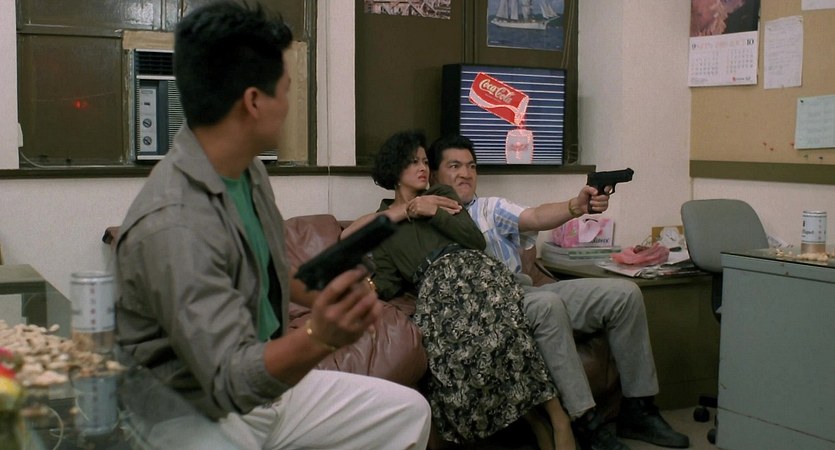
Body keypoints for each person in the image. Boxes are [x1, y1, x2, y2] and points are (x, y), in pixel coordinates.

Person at [113, 2, 431, 449]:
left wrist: (330, 296)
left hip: (267, 390)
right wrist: (321, 335)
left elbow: (270, 271)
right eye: (286, 89)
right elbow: (230, 380)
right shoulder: (173, 225)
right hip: (192, 410)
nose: (289, 102)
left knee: (407, 413)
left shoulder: (248, 170)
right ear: (254, 102)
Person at [426, 134, 690, 450]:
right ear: (434, 175)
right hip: (497, 305)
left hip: (525, 289)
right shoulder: (426, 221)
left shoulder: (489, 208)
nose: (465, 174)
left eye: (471, 166)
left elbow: (536, 216)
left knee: (625, 294)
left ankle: (639, 409)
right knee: (547, 302)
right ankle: (586, 423)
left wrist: (576, 206)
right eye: (454, 166)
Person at [345, 130, 576, 450]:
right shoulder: (383, 225)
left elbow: (474, 239)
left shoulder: (442, 194)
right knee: (454, 357)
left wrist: (433, 211)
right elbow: (382, 273)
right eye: (413, 162)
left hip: (473, 270)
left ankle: (557, 416)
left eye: (425, 161)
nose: (423, 167)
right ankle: (534, 420)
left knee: (504, 330)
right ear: (395, 170)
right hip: (435, 288)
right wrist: (369, 285)